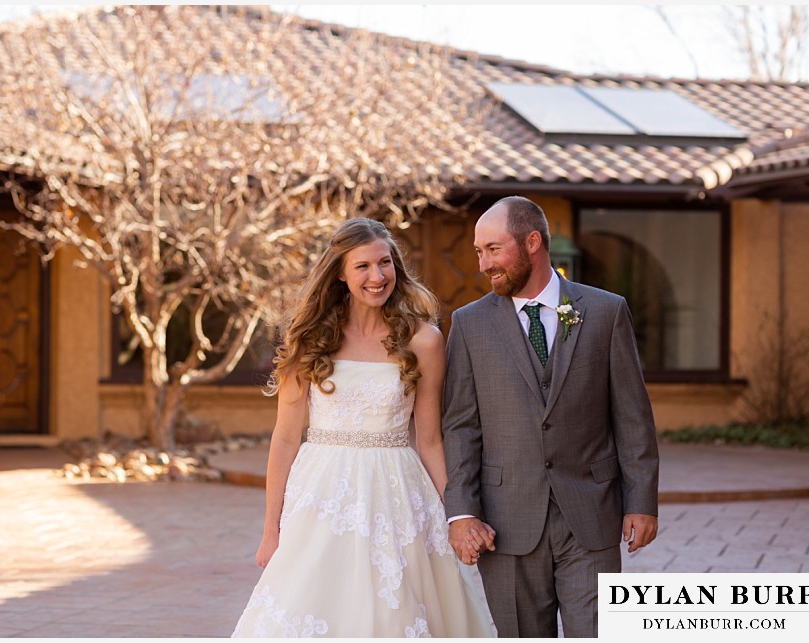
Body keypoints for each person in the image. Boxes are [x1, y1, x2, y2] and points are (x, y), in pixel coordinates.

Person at [232, 217, 496, 637]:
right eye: (363, 266)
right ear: (340, 273)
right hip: (322, 496)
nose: (378, 276)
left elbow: (429, 440)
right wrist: (271, 529)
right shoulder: (308, 339)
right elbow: (284, 439)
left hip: (398, 495)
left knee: (396, 607)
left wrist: (457, 516)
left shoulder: (424, 341)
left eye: (385, 263)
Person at [442, 196, 660, 638]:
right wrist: (462, 512)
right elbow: (461, 426)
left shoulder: (605, 311)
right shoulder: (469, 324)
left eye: (494, 249)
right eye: (478, 251)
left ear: (533, 242)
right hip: (506, 523)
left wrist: (640, 500)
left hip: (591, 515)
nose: (483, 264)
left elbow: (632, 415)